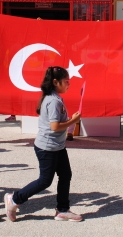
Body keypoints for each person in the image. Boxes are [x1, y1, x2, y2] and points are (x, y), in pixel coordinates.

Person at [4, 66, 82, 222]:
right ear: (55, 82)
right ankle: (14, 199)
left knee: (65, 175)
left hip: (57, 146)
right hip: (48, 147)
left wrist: (70, 120)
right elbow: (54, 127)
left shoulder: (55, 98)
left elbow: (57, 124)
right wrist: (73, 121)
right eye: (66, 82)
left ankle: (62, 210)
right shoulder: (53, 101)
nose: (69, 84)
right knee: (45, 181)